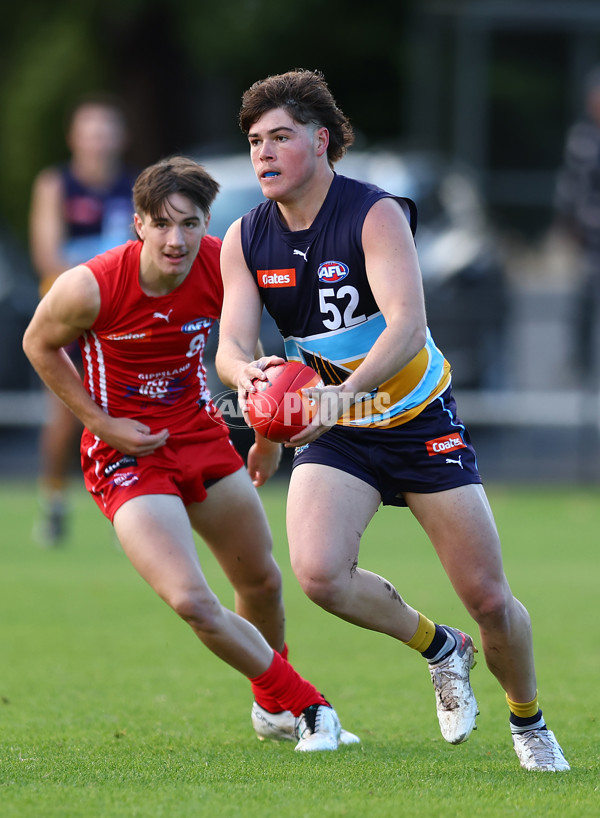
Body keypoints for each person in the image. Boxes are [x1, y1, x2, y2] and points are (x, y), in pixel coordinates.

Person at [215, 69, 570, 772]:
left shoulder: (372, 213)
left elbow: (408, 327)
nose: (263, 153)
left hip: (414, 419)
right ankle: (441, 650)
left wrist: (344, 397)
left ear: (320, 143)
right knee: (318, 574)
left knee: (491, 601)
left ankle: (528, 721)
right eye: (255, 140)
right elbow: (230, 344)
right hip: (338, 431)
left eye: (280, 137)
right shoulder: (244, 238)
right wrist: (247, 377)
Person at [22, 155, 359, 752]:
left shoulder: (221, 264)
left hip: (200, 434)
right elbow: (38, 343)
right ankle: (306, 702)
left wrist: (262, 436)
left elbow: (242, 345)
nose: (177, 239)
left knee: (261, 580)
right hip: (126, 455)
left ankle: (272, 709)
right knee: (192, 601)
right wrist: (102, 423)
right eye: (163, 223)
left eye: (191, 223)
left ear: (207, 223)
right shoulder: (91, 285)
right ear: (139, 224)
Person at [29, 93, 138, 545]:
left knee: (136, 403)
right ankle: (53, 501)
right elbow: (48, 258)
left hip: (123, 311)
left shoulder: (137, 187)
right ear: (75, 137)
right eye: (90, 129)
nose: (98, 139)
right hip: (73, 311)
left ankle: (136, 503)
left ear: (120, 137)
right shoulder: (56, 185)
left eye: (106, 129)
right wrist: (107, 264)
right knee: (66, 412)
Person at [554, 64, 600, 389]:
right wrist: (568, 225)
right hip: (592, 236)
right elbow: (569, 187)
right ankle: (580, 360)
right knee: (586, 296)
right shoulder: (582, 138)